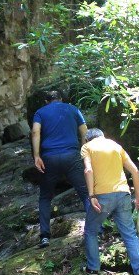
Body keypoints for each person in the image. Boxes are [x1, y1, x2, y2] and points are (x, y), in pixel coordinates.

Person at [80, 128, 139, 275]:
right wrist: (138, 197)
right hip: (123, 194)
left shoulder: (87, 147)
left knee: (91, 231)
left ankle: (93, 269)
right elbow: (135, 171)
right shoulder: (115, 145)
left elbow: (88, 169)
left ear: (88, 139)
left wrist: (91, 195)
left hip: (102, 196)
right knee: (130, 234)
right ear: (102, 136)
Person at [32, 90, 89, 248]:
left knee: (45, 197)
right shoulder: (73, 109)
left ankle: (44, 236)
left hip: (49, 158)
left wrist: (37, 156)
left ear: (46, 101)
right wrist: (82, 151)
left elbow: (35, 132)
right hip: (71, 155)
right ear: (61, 99)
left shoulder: (40, 112)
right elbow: (85, 131)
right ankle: (97, 228)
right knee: (85, 193)